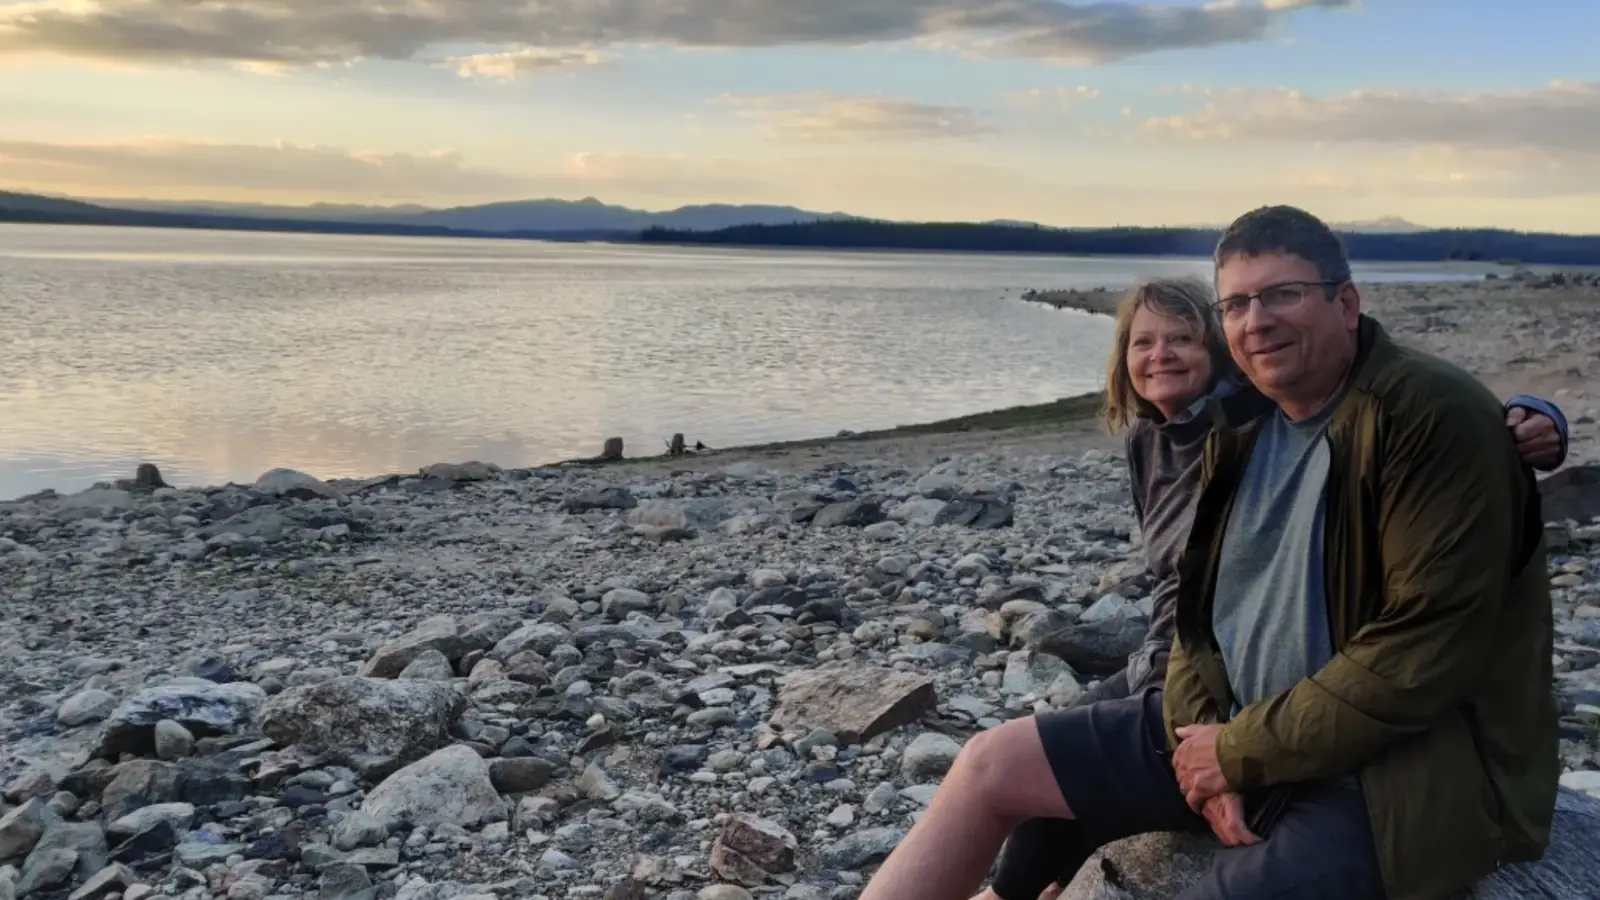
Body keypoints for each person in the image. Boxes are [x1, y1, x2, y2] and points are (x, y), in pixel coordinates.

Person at [856, 206, 1561, 900]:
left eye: (1284, 294)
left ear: (1346, 302)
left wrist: (1237, 756)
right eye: (1238, 303)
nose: (1258, 320)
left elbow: (1424, 648)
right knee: (990, 763)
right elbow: (1197, 616)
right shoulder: (1241, 428)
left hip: (1389, 769)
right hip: (1241, 728)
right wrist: (1207, 748)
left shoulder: (1429, 418)